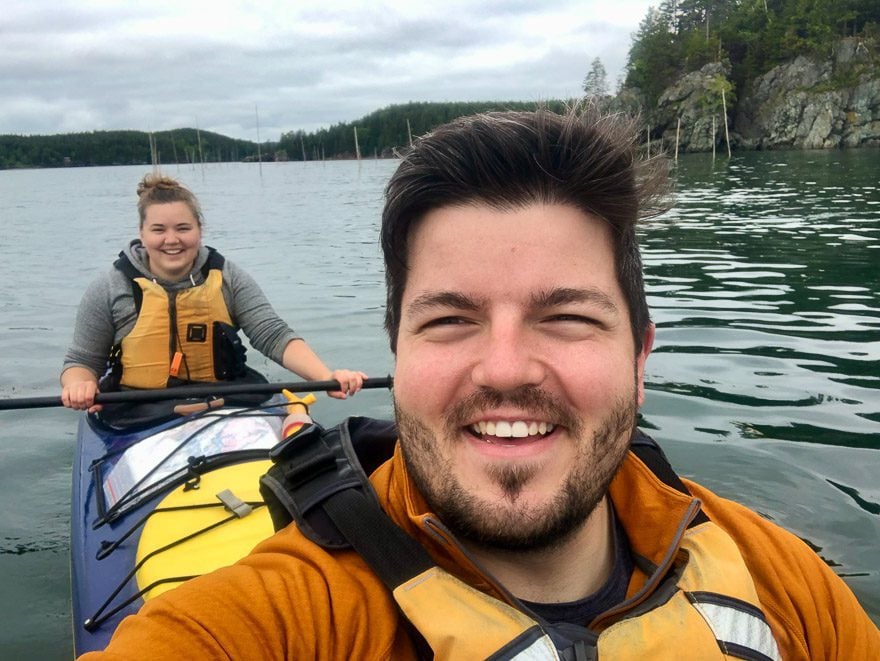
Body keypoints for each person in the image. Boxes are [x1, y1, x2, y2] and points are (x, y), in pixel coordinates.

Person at [81, 108, 879, 659]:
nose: (503, 369)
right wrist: (83, 378)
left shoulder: (785, 583)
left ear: (640, 359)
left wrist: (321, 376)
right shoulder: (286, 616)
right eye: (450, 320)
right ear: (399, 347)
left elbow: (272, 336)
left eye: (566, 317)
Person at [61, 173, 366, 426]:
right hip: (140, 412)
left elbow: (272, 334)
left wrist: (326, 376)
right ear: (141, 233)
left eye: (183, 228)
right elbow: (82, 362)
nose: (171, 240)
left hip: (228, 402)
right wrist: (79, 384)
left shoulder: (227, 276)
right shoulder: (111, 286)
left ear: (199, 230)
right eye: (158, 230)